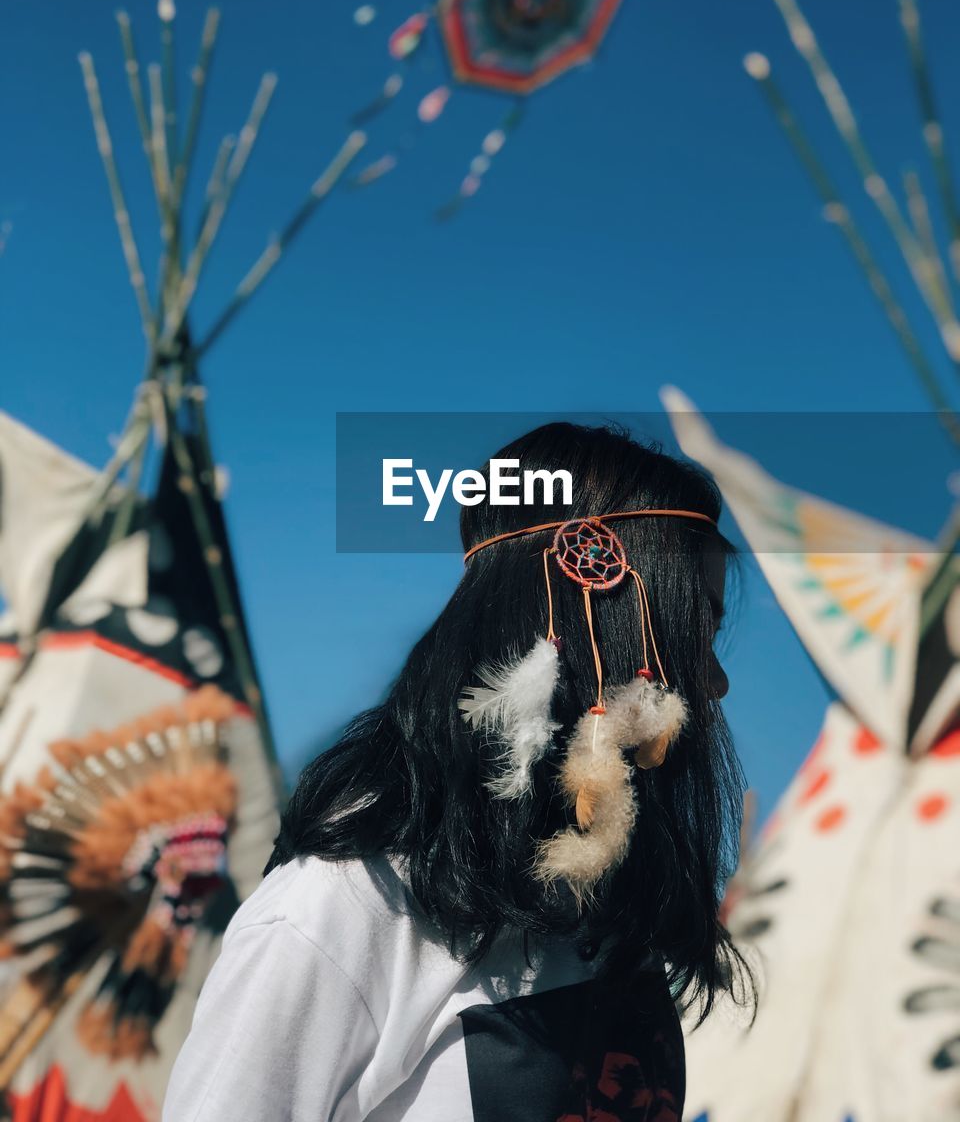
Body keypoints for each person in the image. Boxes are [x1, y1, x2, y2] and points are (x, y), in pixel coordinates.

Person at [163, 421, 753, 1122]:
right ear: (600, 618)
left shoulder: (598, 920)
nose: (713, 681)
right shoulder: (347, 907)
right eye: (698, 633)